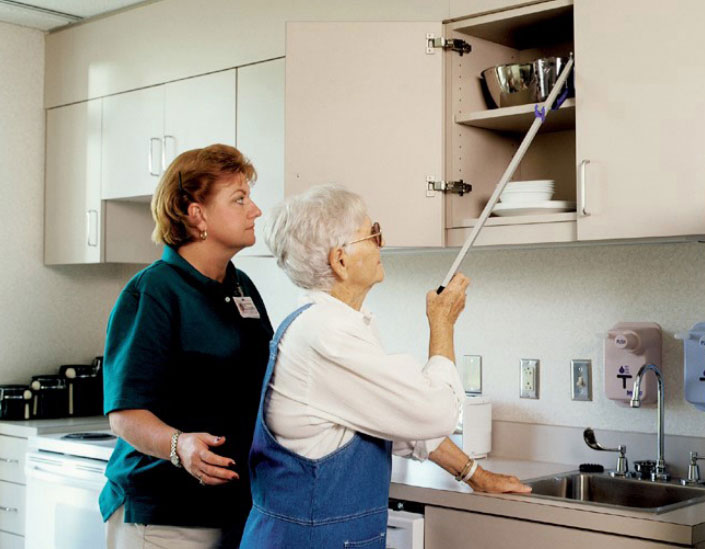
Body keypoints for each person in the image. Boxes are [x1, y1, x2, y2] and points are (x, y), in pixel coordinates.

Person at [239, 185, 530, 549]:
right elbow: (435, 412)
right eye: (372, 233)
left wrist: (475, 474)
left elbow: (403, 422)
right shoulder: (327, 334)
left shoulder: (331, 325)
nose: (381, 242)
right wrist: (442, 325)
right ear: (340, 260)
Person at [100, 144, 273, 548]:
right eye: (239, 199)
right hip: (164, 516)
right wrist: (180, 446)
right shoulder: (154, 291)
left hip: (233, 513)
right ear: (197, 214)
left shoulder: (241, 287)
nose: (256, 211)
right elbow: (124, 415)